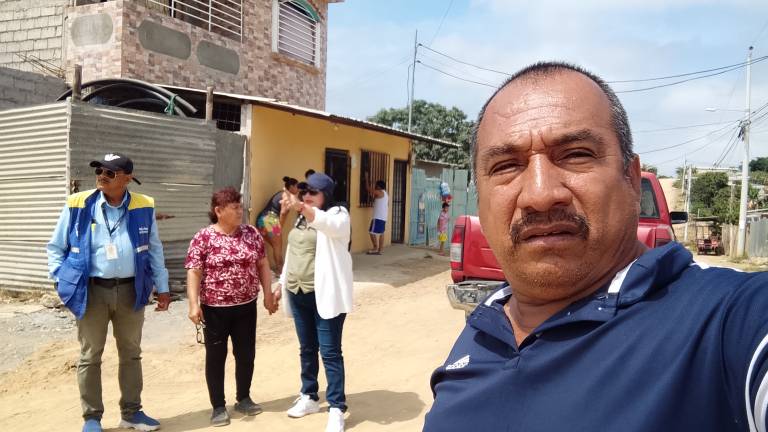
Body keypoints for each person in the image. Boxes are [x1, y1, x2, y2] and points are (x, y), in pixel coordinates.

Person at [423, 62, 768, 432]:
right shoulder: (483, 331)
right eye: (506, 166)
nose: (540, 194)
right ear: (480, 199)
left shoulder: (725, 322)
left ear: (631, 179)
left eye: (576, 154)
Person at [46, 153, 170, 432]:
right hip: (91, 291)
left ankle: (132, 413)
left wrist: (163, 287)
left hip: (131, 290)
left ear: (127, 179)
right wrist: (60, 280)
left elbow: (154, 249)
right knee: (90, 355)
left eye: (110, 173)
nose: (102, 176)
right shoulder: (78, 203)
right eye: (99, 171)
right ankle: (92, 418)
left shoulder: (143, 205)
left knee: (131, 353)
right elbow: (55, 247)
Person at [185, 187, 278, 426]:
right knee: (216, 356)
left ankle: (243, 398)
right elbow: (194, 272)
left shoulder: (251, 234)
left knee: (246, 354)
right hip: (215, 309)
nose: (240, 211)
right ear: (219, 211)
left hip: (246, 307)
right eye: (235, 207)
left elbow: (263, 264)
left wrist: (268, 294)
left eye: (240, 206)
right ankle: (218, 406)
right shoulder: (203, 237)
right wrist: (193, 304)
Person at [277, 172, 353, 432]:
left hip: (325, 295)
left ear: (326, 195)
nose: (307, 196)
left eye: (313, 192)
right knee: (307, 348)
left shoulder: (338, 215)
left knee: (330, 353)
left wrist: (300, 206)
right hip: (298, 292)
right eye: (304, 192)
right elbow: (293, 252)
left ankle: (336, 408)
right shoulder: (301, 217)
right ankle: (309, 396)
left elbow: (326, 224)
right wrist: (281, 283)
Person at [256, 176, 299, 273]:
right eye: (297, 186)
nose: (298, 189)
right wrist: (279, 229)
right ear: (291, 187)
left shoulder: (280, 193)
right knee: (278, 247)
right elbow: (283, 213)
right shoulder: (286, 197)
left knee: (274, 245)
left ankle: (269, 270)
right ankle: (281, 271)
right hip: (270, 220)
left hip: (261, 219)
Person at [365, 177, 388, 255]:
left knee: (371, 232)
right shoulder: (385, 193)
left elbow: (368, 189)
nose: (375, 187)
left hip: (378, 217)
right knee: (381, 233)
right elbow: (375, 199)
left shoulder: (380, 192)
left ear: (379, 186)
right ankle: (380, 250)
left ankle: (375, 248)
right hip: (383, 217)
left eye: (376, 185)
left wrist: (366, 178)